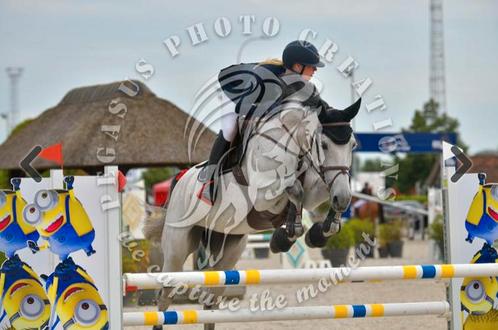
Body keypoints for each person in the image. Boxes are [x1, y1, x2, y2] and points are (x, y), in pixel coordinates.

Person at [198, 40, 330, 205]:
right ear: (297, 66)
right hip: (234, 95)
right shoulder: (265, 77)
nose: (316, 69)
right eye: (312, 65)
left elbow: (324, 110)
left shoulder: (306, 87)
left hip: (256, 102)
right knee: (230, 128)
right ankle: (210, 181)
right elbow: (243, 108)